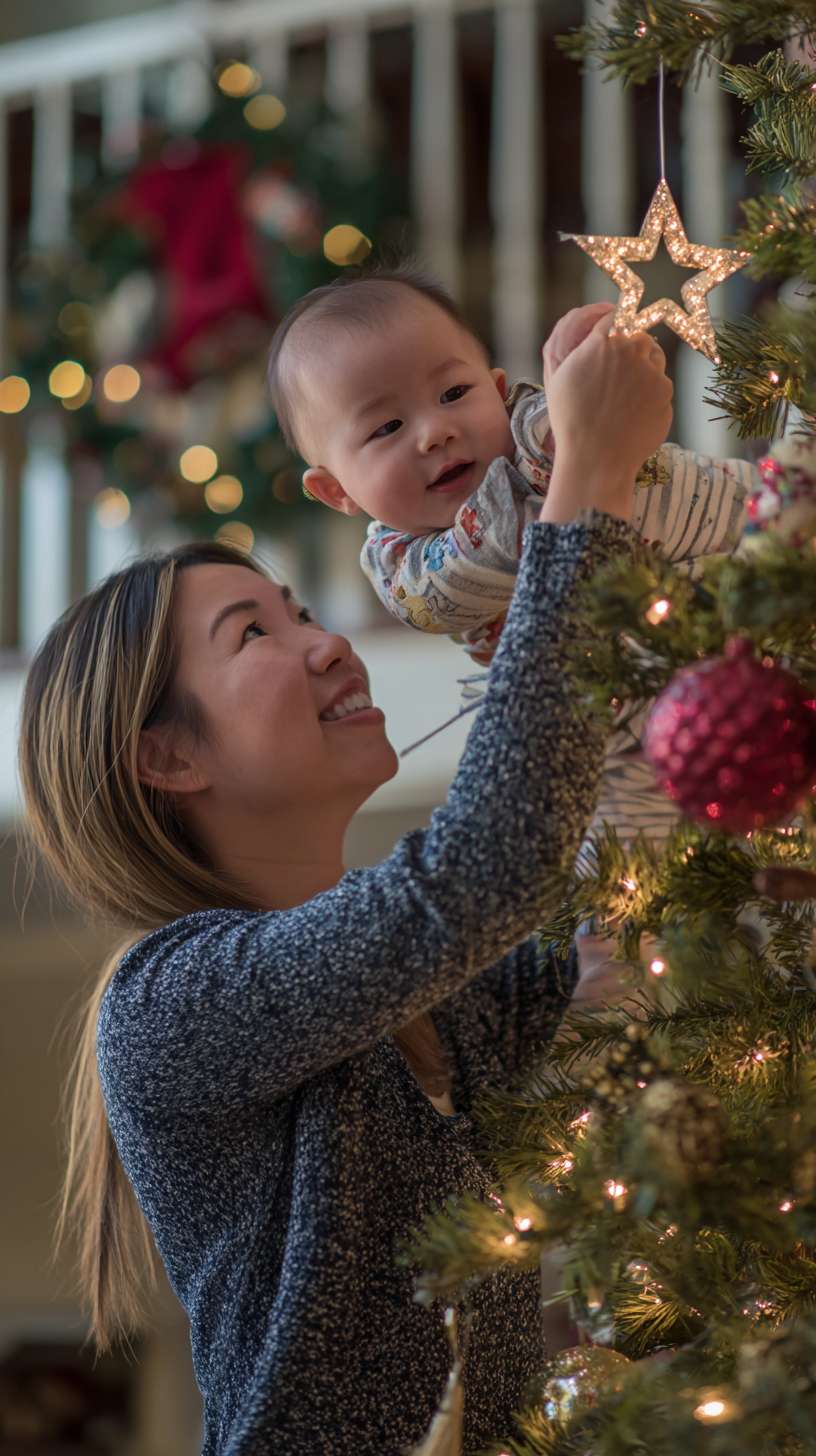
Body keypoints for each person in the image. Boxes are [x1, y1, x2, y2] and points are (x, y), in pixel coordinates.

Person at [18, 309, 672, 1456]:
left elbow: (617, 941)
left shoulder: (446, 1003)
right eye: (253, 635)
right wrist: (589, 487)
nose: (330, 645)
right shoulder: (168, 1006)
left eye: (307, 612)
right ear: (167, 754)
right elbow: (486, 865)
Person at [268, 262, 754, 849]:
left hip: (745, 530)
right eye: (387, 426)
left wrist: (585, 362)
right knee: (621, 866)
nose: (435, 431)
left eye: (454, 393)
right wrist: (577, 443)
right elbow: (505, 546)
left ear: (498, 391)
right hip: (627, 713)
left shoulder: (530, 427)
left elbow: (593, 419)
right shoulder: (408, 572)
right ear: (336, 490)